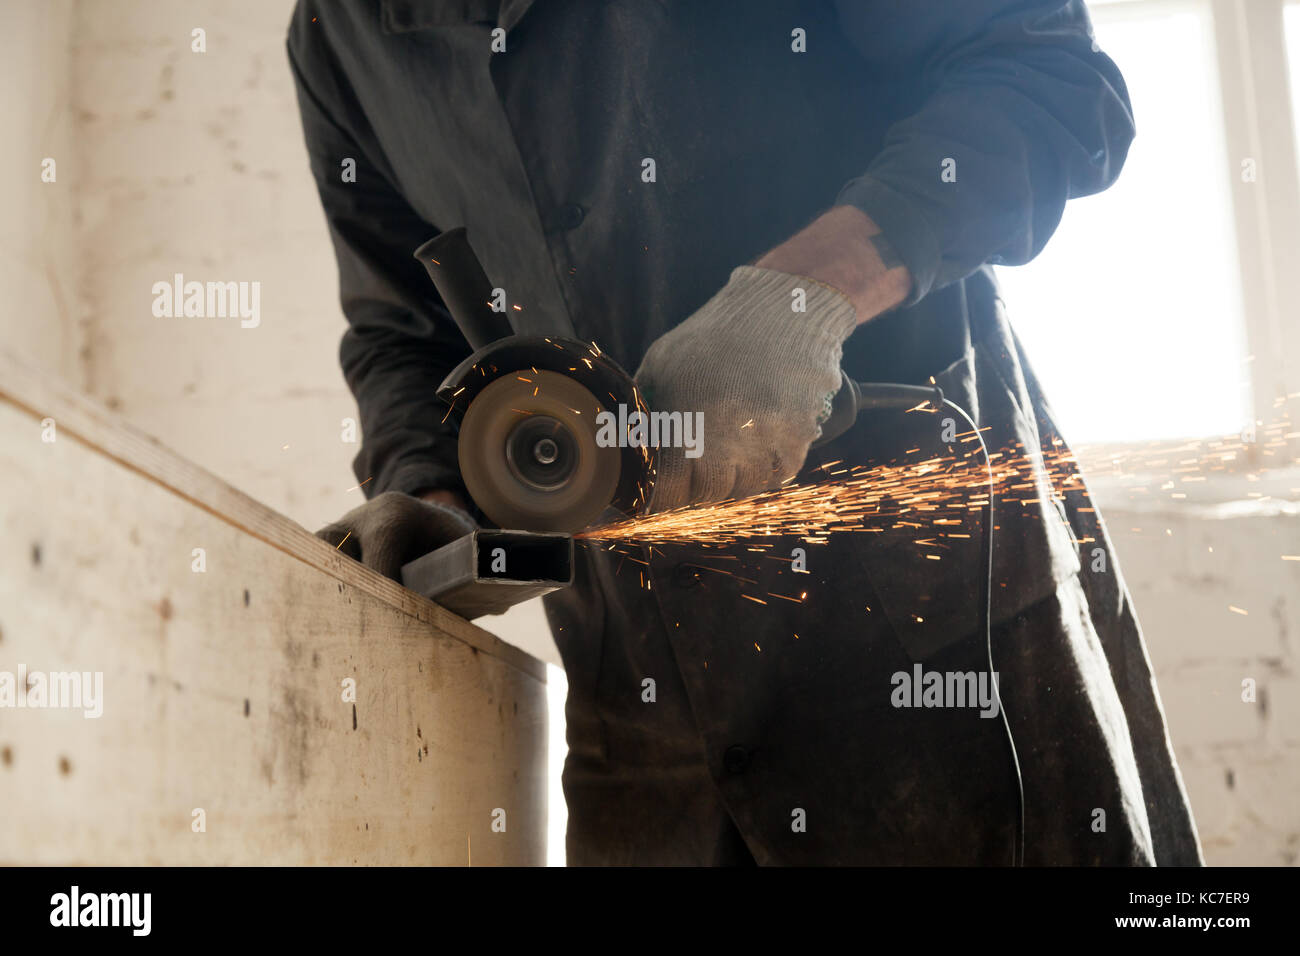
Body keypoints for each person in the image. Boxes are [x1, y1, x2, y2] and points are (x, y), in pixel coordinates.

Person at [293, 0, 1202, 865]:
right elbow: (400, 330)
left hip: (933, 652)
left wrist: (804, 299)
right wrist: (432, 493)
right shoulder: (340, 36)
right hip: (637, 710)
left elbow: (1046, 78)